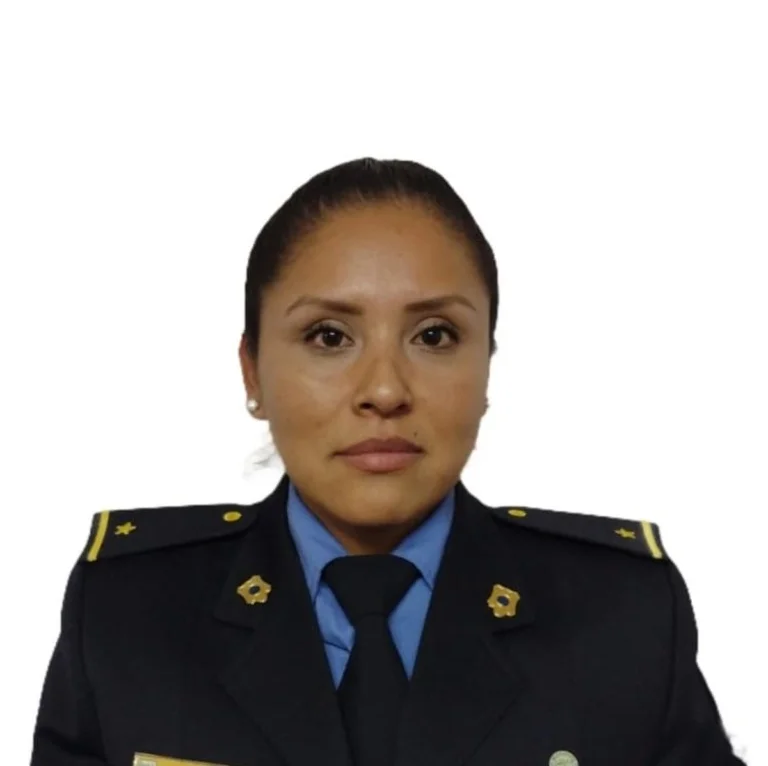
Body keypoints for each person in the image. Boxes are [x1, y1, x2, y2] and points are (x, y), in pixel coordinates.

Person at [30, 158, 745, 766]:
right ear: (252, 372)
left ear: (486, 366)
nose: (384, 390)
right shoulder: (128, 614)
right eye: (328, 335)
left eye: (434, 335)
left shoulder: (624, 620)